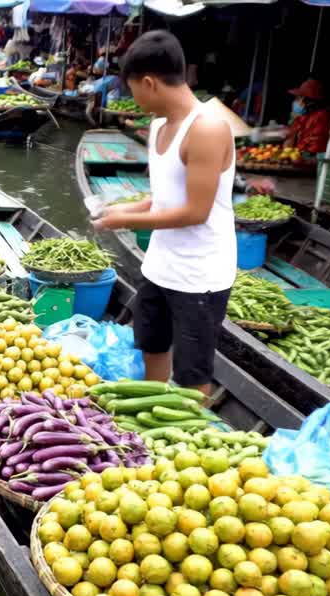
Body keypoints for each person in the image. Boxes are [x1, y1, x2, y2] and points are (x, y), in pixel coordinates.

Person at [93, 31, 236, 395]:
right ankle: (151, 420)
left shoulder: (207, 128)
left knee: (192, 372)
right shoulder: (158, 126)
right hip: (159, 265)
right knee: (152, 346)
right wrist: (126, 207)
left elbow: (195, 212)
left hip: (200, 273)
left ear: (149, 83)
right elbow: (162, 199)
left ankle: (188, 436)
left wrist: (125, 220)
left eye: (132, 90)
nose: (133, 99)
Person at [284, 78, 330, 154]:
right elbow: (289, 139)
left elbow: (316, 146)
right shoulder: (303, 116)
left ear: (309, 102)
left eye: (298, 98)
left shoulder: (321, 116)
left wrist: (297, 153)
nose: (295, 101)